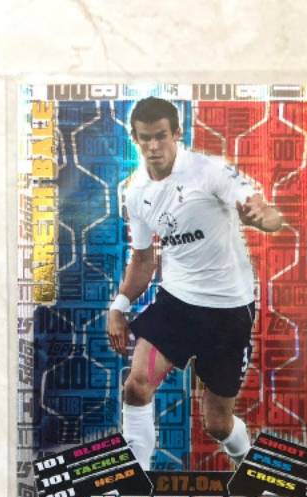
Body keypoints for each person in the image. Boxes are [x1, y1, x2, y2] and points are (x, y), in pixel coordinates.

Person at [108, 97, 282, 470]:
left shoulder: (209, 171)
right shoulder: (136, 192)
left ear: (176, 134)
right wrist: (118, 306)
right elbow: (143, 260)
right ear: (135, 139)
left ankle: (246, 463)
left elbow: (266, 212)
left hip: (228, 312)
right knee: (136, 387)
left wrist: (262, 216)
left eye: (160, 136)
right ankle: (136, 480)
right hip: (176, 304)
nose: (153, 146)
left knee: (218, 425)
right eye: (144, 138)